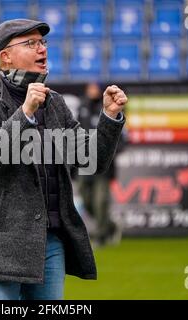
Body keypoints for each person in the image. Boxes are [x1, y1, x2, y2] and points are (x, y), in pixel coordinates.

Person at [0, 19, 128, 300]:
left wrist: (109, 118)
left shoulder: (55, 103)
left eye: (43, 42)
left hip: (49, 243)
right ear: (5, 56)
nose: (42, 49)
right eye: (31, 43)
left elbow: (92, 159)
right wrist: (25, 113)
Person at [76, 82, 121, 246]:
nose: (92, 91)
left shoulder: (107, 108)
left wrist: (109, 153)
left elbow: (119, 136)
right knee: (86, 200)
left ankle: (102, 235)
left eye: (95, 88)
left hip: (102, 165)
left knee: (100, 201)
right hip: (84, 163)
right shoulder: (83, 108)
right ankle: (110, 225)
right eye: (89, 88)